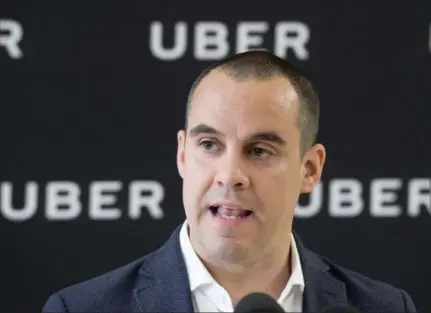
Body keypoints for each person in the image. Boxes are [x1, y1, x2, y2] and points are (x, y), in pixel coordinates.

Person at [42, 50, 417, 312]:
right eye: (209, 144)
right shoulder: (80, 308)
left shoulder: (383, 307)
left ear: (309, 169)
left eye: (259, 150)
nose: (230, 175)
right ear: (183, 155)